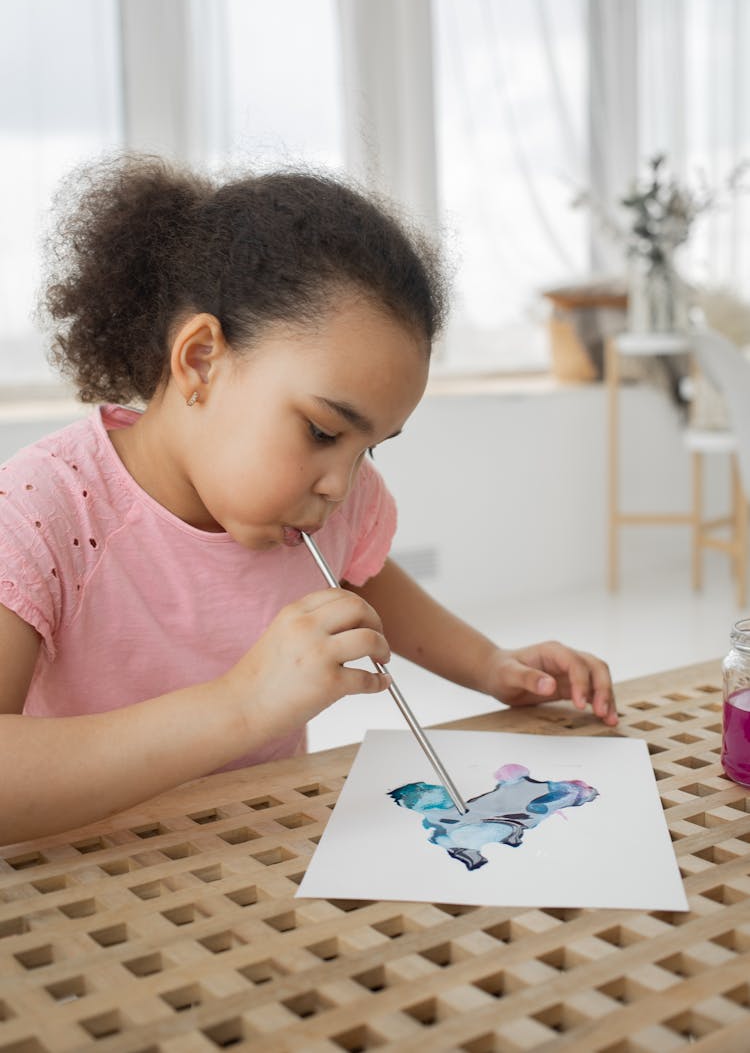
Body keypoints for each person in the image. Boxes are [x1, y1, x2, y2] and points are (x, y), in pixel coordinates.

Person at [0, 156, 617, 845]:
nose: (341, 483)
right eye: (323, 430)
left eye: (368, 448)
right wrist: (241, 705)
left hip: (264, 855)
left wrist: (493, 666)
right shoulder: (41, 511)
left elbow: (373, 586)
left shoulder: (324, 504)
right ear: (200, 360)